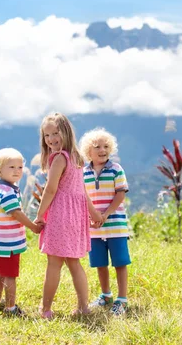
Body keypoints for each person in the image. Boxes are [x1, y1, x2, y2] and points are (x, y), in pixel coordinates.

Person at [34, 112, 102, 319]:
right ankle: (83, 307)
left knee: (54, 263)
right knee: (74, 262)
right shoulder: (76, 158)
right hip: (76, 217)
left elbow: (51, 189)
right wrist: (94, 214)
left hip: (60, 215)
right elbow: (82, 191)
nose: (51, 139)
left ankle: (45, 309)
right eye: (47, 136)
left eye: (55, 133)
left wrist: (39, 215)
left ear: (66, 132)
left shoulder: (59, 159)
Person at [80, 128, 131, 316]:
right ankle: (106, 295)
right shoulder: (83, 173)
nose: (103, 150)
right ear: (88, 152)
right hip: (94, 228)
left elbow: (120, 195)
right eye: (97, 147)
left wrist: (106, 214)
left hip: (116, 226)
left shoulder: (116, 169)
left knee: (120, 262)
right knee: (100, 263)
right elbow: (82, 198)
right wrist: (91, 217)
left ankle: (122, 299)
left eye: (106, 146)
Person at [0, 148, 42, 317]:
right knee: (10, 276)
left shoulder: (5, 189)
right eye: (11, 167)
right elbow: (16, 213)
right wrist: (33, 226)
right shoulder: (7, 192)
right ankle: (10, 308)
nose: (17, 171)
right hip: (8, 244)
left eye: (19, 167)